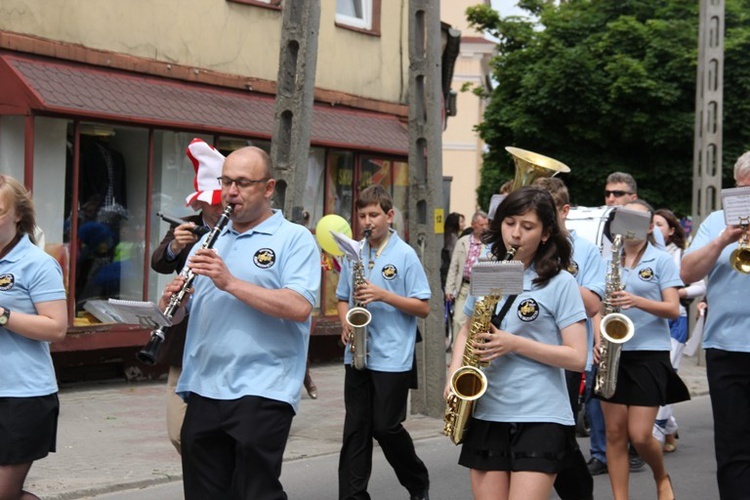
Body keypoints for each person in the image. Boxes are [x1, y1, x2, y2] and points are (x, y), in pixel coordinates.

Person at [162, 146, 321, 499]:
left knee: (253, 492)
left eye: (243, 183)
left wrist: (230, 282)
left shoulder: (294, 239)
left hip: (262, 387)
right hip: (203, 385)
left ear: (268, 188)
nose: (231, 192)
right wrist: (171, 303)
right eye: (227, 181)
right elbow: (178, 313)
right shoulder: (209, 239)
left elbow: (298, 307)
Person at [446, 186, 588, 500]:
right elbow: (467, 329)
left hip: (541, 415)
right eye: (510, 223)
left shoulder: (560, 282)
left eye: (527, 227)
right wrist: (454, 373)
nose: (516, 234)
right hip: (488, 411)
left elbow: (578, 357)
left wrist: (514, 343)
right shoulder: (491, 270)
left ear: (546, 233)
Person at [336, 185, 431, 500]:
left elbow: (423, 307)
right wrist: (344, 322)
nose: (367, 221)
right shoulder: (354, 251)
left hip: (393, 355)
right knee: (355, 431)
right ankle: (353, 495)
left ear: (389, 216)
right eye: (362, 215)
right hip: (358, 353)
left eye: (374, 214)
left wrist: (383, 295)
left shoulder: (405, 254)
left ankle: (417, 480)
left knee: (386, 427)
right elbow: (341, 298)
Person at [596, 199, 688, 500]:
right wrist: (598, 337)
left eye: (636, 220)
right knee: (614, 433)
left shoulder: (660, 260)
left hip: (649, 352)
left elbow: (673, 309)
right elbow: (596, 306)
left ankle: (661, 476)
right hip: (613, 353)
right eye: (623, 220)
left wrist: (636, 301)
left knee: (639, 435)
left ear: (650, 227)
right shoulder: (608, 259)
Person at [680, 151, 750, 500]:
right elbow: (687, 273)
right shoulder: (715, 222)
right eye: (744, 192)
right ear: (736, 186)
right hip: (726, 347)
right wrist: (723, 239)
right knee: (732, 446)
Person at [150, 138, 226, 454]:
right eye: (216, 202)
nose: (223, 207)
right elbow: (158, 262)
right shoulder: (188, 226)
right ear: (202, 203)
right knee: (179, 432)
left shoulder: (242, 230)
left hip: (222, 336)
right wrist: (176, 246)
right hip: (184, 338)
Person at [535, 177, 605, 500]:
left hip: (566, 355)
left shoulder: (587, 251)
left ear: (564, 211)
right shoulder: (520, 249)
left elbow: (592, 302)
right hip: (522, 354)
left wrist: (553, 276)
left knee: (557, 435)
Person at [0, 175, 68, 500]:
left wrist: (3, 316)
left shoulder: (38, 264)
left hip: (22, 396)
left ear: (18, 215)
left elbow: (57, 328)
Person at [651, 208, 706, 452]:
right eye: (651, 224)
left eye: (660, 224)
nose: (654, 228)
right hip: (651, 319)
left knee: (665, 375)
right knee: (656, 377)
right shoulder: (645, 252)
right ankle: (670, 427)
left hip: (676, 320)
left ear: (672, 230)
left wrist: (679, 292)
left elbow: (700, 286)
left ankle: (657, 432)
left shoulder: (682, 254)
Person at [444, 211, 489, 349]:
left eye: (486, 224)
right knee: (458, 320)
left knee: (479, 323)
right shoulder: (462, 242)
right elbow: (454, 266)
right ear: (473, 224)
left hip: (482, 288)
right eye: (482, 224)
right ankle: (457, 353)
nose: (485, 227)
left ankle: (473, 352)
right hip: (464, 286)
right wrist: (449, 288)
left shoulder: (489, 244)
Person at [440, 211, 465, 288]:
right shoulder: (453, 239)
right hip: (449, 274)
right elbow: (454, 258)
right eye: (461, 222)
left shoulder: (449, 236)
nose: (464, 224)